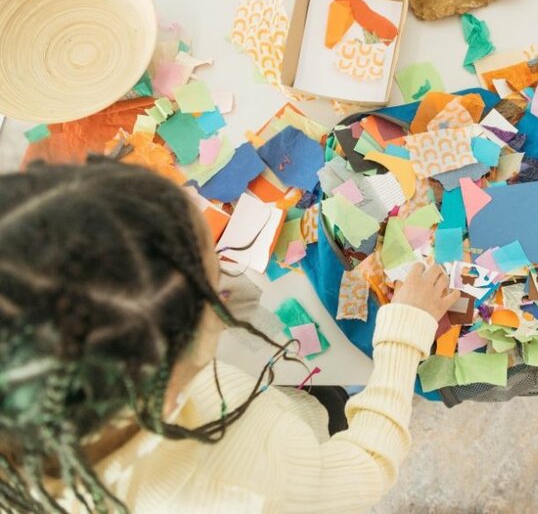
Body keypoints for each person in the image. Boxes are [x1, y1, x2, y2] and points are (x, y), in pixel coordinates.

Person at [0, 158, 460, 513]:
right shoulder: (245, 485)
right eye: (208, 289)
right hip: (297, 442)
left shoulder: (59, 386)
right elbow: (366, 467)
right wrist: (403, 335)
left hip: (259, 398)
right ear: (167, 389)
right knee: (338, 404)